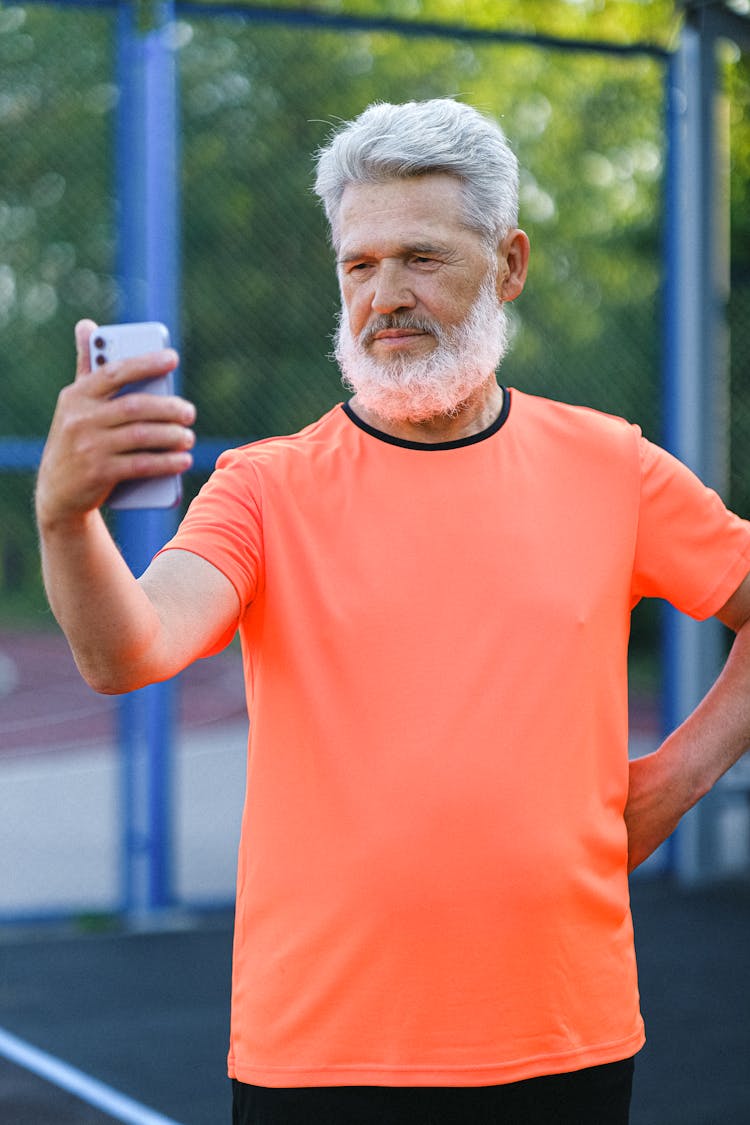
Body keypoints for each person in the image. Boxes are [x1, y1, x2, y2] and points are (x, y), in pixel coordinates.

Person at [35, 99, 750, 1125]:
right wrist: (65, 520)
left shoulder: (612, 466)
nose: (384, 297)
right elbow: (129, 651)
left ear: (508, 265)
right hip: (319, 1055)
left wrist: (679, 779)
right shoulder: (261, 487)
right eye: (357, 266)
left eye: (419, 257)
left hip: (562, 1036)